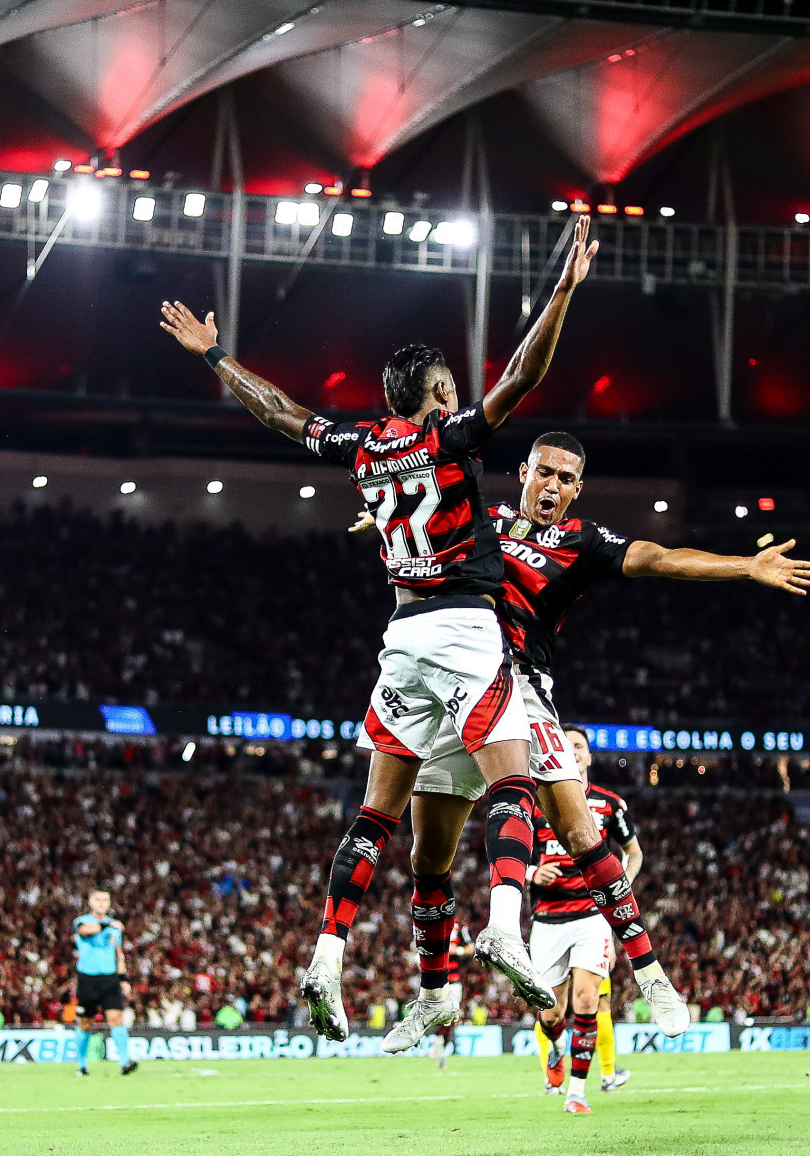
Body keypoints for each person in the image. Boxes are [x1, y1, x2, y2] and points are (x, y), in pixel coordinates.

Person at [160, 218, 601, 1041]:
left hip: (401, 641)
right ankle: (505, 924)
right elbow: (524, 375)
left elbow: (282, 414)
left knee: (377, 816)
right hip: (470, 631)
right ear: (437, 395)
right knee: (512, 780)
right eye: (448, 386)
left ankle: (328, 957)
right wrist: (563, 292)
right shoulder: (452, 434)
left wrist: (216, 358)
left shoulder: (361, 447)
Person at [378, 429, 810, 1054]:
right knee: (427, 856)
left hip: (521, 689)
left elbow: (659, 558)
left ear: (577, 489)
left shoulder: (583, 542)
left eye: (565, 479)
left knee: (582, 833)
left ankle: (652, 975)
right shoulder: (482, 521)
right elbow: (417, 518)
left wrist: (745, 566)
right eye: (544, 473)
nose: (552, 486)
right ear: (524, 471)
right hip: (454, 688)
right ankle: (433, 996)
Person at [521, 725, 638, 1113]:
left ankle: (577, 1093)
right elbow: (508, 854)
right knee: (551, 1013)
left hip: (592, 916)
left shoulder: (609, 804)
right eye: (565, 745)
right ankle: (555, 1045)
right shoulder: (538, 804)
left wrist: (618, 887)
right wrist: (531, 875)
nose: (572, 751)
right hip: (547, 919)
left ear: (588, 757)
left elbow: (633, 853)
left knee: (589, 1000)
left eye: (579, 747)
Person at [71, 888, 138, 1076]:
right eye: (98, 900)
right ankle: (82, 1065)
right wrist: (108, 926)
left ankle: (125, 1063)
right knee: (85, 1022)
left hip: (109, 979)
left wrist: (123, 979)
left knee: (116, 1019)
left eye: (105, 900)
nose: (101, 903)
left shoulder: (113, 926)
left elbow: (118, 954)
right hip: (88, 979)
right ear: (91, 902)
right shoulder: (83, 921)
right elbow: (85, 931)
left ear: (109, 903)